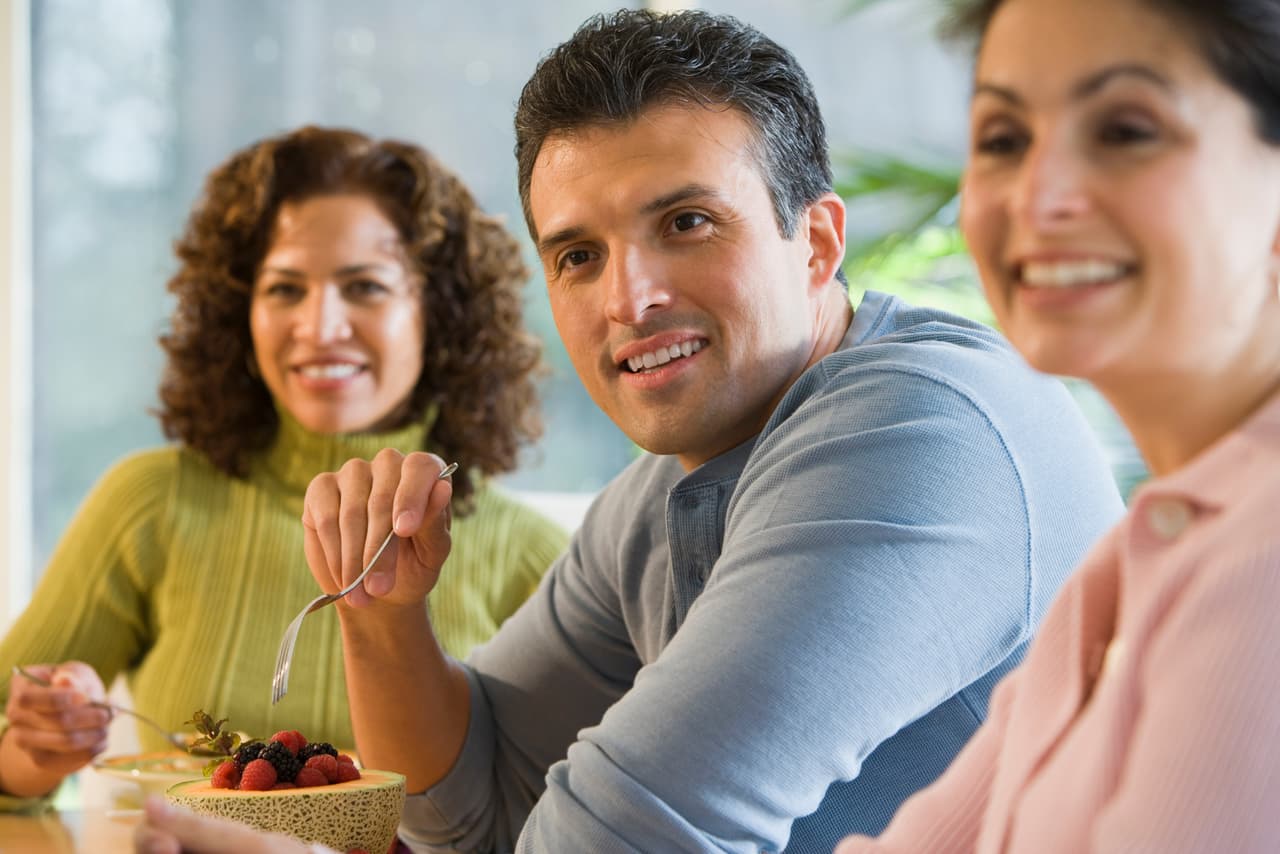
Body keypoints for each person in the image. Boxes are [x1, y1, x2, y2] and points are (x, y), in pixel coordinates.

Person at [135, 11, 1123, 853]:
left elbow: (632, 830)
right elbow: (470, 809)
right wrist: (381, 612)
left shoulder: (918, 433)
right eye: (575, 253)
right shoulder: (659, 495)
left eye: (686, 222)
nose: (630, 298)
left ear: (816, 242)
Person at [0, 126, 568, 804]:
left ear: (437, 316)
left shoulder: (534, 555)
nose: (321, 326)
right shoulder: (150, 502)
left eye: (364, 286)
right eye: (284, 289)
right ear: (239, 312)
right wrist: (35, 750)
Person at [833, 0, 1280, 850]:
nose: (1039, 195)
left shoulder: (1263, 572)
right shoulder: (1134, 561)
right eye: (1004, 138)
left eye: (1125, 129)